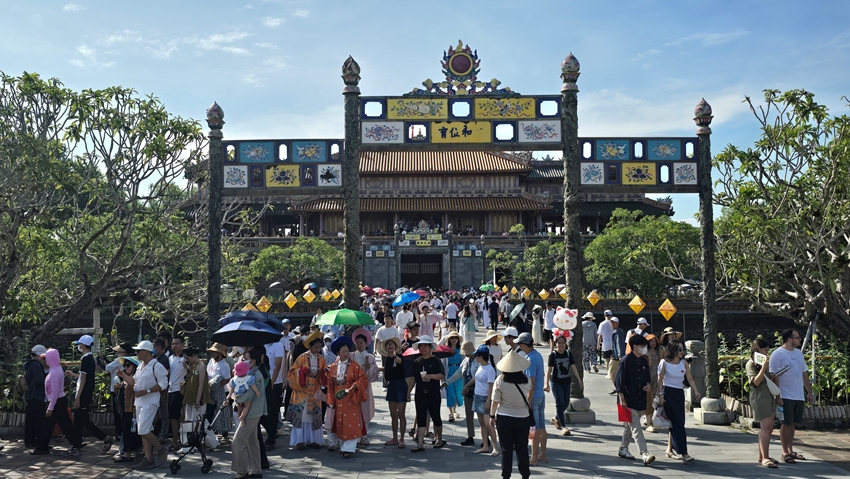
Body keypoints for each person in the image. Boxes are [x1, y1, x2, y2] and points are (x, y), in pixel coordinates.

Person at [769, 328, 813, 464]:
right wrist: (778, 395)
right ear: (789, 339)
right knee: (786, 423)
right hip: (785, 394)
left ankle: (790, 449)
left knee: (793, 423)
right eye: (797, 337)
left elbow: (804, 374)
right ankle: (784, 452)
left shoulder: (799, 354)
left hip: (798, 394)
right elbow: (771, 375)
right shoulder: (777, 354)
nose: (799, 340)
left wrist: (809, 392)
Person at [64, 335, 114, 453]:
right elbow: (85, 377)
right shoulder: (90, 358)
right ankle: (79, 443)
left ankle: (102, 439)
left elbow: (85, 379)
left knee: (81, 420)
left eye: (79, 344)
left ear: (82, 345)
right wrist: (74, 375)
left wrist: (78, 398)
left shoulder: (86, 359)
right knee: (81, 420)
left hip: (84, 394)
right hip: (85, 393)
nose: (78, 347)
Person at [613, 334, 656, 466]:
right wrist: (622, 399)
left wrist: (648, 385)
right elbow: (618, 381)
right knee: (636, 427)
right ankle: (644, 453)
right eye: (643, 346)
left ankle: (623, 448)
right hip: (627, 399)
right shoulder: (626, 360)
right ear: (635, 347)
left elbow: (647, 378)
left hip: (640, 398)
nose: (645, 348)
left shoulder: (643, 361)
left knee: (629, 426)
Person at [490, 350, 533, 479]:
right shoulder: (526, 380)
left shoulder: (500, 380)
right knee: (522, 449)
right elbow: (529, 394)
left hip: (504, 418)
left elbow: (495, 401)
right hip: (522, 417)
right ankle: (525, 474)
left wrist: (492, 416)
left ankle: (506, 475)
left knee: (506, 449)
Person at [33, 348, 83, 457]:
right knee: (65, 424)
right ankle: (76, 444)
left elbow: (55, 392)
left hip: (56, 401)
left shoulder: (54, 372)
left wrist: (50, 408)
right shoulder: (57, 368)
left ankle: (42, 448)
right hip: (59, 400)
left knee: (47, 425)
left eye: (46, 358)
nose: (44, 360)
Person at [326, 336, 370, 458]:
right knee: (340, 422)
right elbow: (330, 384)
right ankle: (343, 446)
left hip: (351, 396)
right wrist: (330, 399)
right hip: (338, 397)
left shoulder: (355, 366)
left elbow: (363, 378)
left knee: (351, 422)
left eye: (347, 351)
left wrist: (356, 385)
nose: (346, 353)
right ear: (338, 353)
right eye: (343, 351)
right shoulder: (333, 367)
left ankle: (348, 449)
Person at [657, 338, 700, 462]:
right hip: (668, 393)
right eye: (679, 349)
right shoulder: (664, 363)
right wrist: (661, 395)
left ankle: (670, 449)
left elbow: (690, 378)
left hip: (679, 393)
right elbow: (660, 380)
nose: (682, 352)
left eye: (683, 349)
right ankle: (684, 453)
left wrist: (696, 390)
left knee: (677, 422)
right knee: (678, 424)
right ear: (673, 350)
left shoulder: (684, 363)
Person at [132, 340, 169, 469]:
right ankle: (148, 459)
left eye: (138, 351)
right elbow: (134, 382)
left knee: (143, 430)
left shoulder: (156, 366)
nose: (136, 353)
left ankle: (160, 449)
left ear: (147, 352)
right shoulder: (140, 365)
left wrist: (146, 391)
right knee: (143, 430)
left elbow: (163, 383)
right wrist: (122, 376)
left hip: (151, 401)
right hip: (140, 402)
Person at [286, 330, 327, 450]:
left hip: (315, 390)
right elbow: (292, 372)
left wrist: (323, 373)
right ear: (310, 346)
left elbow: (325, 372)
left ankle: (313, 440)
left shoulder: (321, 359)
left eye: (319, 347)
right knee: (302, 416)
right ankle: (300, 440)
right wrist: (302, 372)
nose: (318, 349)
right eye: (316, 347)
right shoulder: (302, 357)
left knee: (312, 415)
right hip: (302, 391)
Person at [231, 349, 267, 479]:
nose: (243, 360)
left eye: (245, 358)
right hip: (251, 411)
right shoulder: (249, 373)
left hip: (253, 412)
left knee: (238, 440)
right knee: (252, 441)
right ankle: (256, 470)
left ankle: (242, 470)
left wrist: (237, 399)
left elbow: (249, 395)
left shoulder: (256, 375)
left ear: (253, 361)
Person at [746, 338, 778, 468]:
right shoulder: (751, 364)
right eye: (765, 350)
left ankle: (763, 455)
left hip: (768, 397)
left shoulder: (763, 362)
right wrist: (764, 367)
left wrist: (772, 375)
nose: (767, 352)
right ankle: (765, 457)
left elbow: (766, 379)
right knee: (767, 428)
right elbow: (756, 382)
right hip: (759, 398)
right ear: (758, 349)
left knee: (768, 428)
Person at [410, 335, 446, 452]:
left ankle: (439, 439)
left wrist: (431, 376)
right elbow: (413, 378)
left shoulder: (436, 360)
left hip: (433, 392)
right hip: (420, 392)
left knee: (436, 416)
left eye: (426, 346)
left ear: (430, 347)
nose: (423, 348)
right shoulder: (417, 362)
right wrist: (408, 392)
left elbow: (442, 375)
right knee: (420, 417)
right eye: (421, 346)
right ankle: (420, 443)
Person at [516, 332, 547, 465]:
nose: (519, 347)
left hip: (534, 397)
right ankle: (542, 454)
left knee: (533, 428)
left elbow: (531, 383)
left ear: (524, 344)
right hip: (540, 395)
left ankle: (534, 457)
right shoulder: (537, 355)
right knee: (541, 426)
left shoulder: (530, 360)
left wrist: (528, 401)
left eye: (520, 344)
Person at [544, 330, 583, 436]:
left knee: (565, 403)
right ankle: (564, 426)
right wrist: (546, 383)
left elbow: (573, 367)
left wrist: (579, 379)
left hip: (567, 381)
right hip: (556, 382)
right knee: (559, 403)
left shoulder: (568, 354)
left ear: (566, 344)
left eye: (563, 343)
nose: (561, 345)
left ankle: (556, 418)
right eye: (559, 343)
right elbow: (549, 370)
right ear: (556, 344)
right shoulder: (553, 355)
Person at [464, 345, 498, 456]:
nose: (475, 358)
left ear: (480, 356)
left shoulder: (490, 369)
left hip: (485, 398)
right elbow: (475, 378)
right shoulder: (480, 367)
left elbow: (491, 386)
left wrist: (489, 400)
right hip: (477, 396)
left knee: (489, 424)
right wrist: (466, 386)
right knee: (482, 424)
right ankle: (485, 446)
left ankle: (495, 447)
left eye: (476, 356)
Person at [179, 347, 210, 454]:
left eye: (188, 358)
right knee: (189, 421)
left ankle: (210, 442)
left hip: (198, 398)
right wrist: (187, 368)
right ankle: (189, 444)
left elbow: (201, 384)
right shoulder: (192, 365)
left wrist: (198, 400)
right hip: (189, 397)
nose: (187, 360)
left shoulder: (201, 365)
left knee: (200, 422)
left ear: (193, 355)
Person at [378, 336, 407, 448]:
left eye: (392, 344)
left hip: (401, 385)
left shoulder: (400, 357)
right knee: (393, 414)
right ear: (386, 347)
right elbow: (388, 375)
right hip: (391, 386)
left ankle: (402, 439)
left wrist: (399, 362)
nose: (390, 346)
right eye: (388, 344)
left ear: (395, 346)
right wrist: (382, 369)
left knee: (402, 414)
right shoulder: (387, 360)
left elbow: (403, 369)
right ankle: (395, 437)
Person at [351, 328, 378, 445]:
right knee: (354, 410)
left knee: (365, 411)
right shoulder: (351, 356)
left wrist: (369, 368)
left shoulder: (370, 357)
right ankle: (355, 434)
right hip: (353, 386)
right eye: (357, 343)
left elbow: (375, 372)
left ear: (366, 344)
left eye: (361, 343)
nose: (359, 345)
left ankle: (364, 435)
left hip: (365, 387)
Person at [448, 340, 477, 446]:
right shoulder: (466, 361)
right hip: (468, 391)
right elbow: (459, 373)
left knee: (482, 417)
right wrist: (448, 382)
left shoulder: (478, 360)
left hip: (478, 391)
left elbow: (477, 377)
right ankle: (470, 436)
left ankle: (486, 438)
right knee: (469, 415)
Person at [113, 356, 142, 463]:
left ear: (134, 366)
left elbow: (133, 384)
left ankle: (127, 453)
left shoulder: (134, 377)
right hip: (125, 408)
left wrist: (123, 375)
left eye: (128, 365)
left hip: (131, 409)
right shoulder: (127, 377)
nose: (126, 367)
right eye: (124, 365)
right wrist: (118, 386)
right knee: (125, 430)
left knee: (128, 430)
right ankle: (126, 451)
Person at [206, 342, 234, 445]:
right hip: (210, 389)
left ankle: (225, 435)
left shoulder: (224, 365)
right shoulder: (211, 362)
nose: (212, 354)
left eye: (215, 352)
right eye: (212, 352)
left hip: (220, 390)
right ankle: (209, 435)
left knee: (221, 413)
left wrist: (218, 385)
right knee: (209, 412)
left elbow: (227, 378)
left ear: (220, 353)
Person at [23, 344, 47, 449]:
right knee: (38, 420)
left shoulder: (28, 364)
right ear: (38, 355)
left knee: (30, 420)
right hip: (37, 395)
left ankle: (29, 441)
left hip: (29, 395)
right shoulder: (36, 365)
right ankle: (38, 441)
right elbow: (40, 380)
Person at [229, 361, 263, 427]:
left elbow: (232, 388)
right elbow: (253, 386)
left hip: (237, 395)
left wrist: (229, 395)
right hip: (245, 395)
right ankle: (242, 417)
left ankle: (239, 416)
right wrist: (257, 392)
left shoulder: (233, 379)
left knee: (239, 407)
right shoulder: (249, 378)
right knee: (246, 407)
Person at [441, 331, 465, 422]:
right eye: (452, 338)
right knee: (450, 392)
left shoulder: (461, 349)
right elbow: (443, 363)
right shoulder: (446, 350)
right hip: (449, 371)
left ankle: (454, 409)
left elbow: (464, 362)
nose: (454, 339)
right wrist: (442, 377)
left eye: (455, 338)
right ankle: (450, 412)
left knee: (457, 393)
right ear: (449, 339)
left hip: (458, 372)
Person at [167, 337, 186, 450]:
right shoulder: (170, 358)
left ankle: (176, 441)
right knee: (174, 417)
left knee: (176, 416)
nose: (174, 345)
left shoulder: (186, 359)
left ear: (183, 344)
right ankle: (177, 439)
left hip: (180, 390)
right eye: (173, 343)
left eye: (177, 343)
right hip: (170, 390)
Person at [643, 334, 661, 432]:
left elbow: (661, 362)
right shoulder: (645, 352)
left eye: (654, 341)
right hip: (648, 376)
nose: (653, 343)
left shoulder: (659, 351)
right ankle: (648, 419)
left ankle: (651, 418)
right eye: (651, 341)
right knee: (648, 397)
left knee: (655, 397)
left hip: (657, 375)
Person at [609, 317, 626, 394]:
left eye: (614, 322)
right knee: (618, 372)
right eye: (611, 322)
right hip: (619, 355)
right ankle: (618, 386)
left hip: (616, 356)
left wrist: (619, 355)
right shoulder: (620, 331)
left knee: (612, 371)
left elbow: (618, 344)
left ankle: (616, 387)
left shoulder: (617, 332)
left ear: (617, 323)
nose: (612, 324)